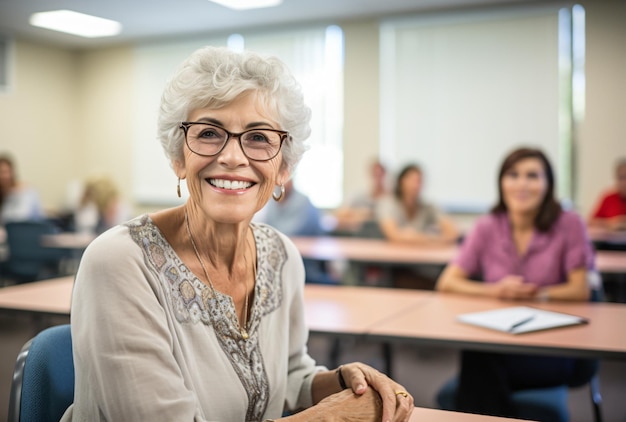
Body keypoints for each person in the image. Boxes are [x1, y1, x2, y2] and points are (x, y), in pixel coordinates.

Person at [61, 46, 413, 421]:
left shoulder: (281, 256)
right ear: (179, 157)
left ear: (283, 168)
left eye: (259, 137)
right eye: (210, 133)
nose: (233, 156)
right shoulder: (120, 263)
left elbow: (290, 375)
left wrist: (344, 382)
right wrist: (330, 417)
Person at [435, 147, 597, 418]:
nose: (522, 184)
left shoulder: (569, 223)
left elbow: (581, 289)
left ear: (548, 183)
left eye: (532, 175)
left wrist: (538, 295)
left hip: (552, 348)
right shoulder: (488, 225)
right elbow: (447, 282)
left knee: (477, 363)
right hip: (501, 344)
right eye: (513, 175)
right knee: (480, 353)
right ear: (501, 182)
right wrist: (495, 291)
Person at [377, 163, 458, 245]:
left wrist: (415, 237)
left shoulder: (428, 207)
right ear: (401, 182)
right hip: (394, 255)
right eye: (412, 180)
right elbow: (394, 235)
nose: (416, 186)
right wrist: (432, 238)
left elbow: (452, 233)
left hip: (422, 254)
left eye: (419, 181)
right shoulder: (388, 204)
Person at [334, 159, 388, 234]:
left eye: (380, 174)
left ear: (385, 175)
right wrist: (363, 214)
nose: (378, 178)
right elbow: (340, 214)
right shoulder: (360, 196)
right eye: (375, 174)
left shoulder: (390, 199)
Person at [0, 154, 45, 225]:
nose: (4, 176)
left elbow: (23, 217)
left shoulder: (28, 192)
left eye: (6, 172)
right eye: (1, 172)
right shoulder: (3, 195)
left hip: (27, 230)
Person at [588, 157, 626, 231]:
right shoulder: (608, 198)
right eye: (621, 178)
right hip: (609, 241)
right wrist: (611, 223)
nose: (624, 182)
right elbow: (591, 221)